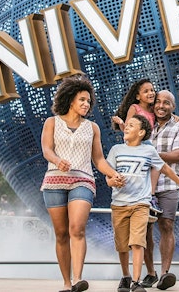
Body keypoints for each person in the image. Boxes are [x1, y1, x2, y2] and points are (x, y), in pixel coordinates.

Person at [41, 75, 124, 292]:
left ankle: (78, 279)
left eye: (88, 101)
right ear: (70, 100)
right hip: (54, 180)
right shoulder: (52, 122)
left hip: (83, 180)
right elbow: (47, 150)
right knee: (61, 234)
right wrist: (58, 160)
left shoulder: (92, 128)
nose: (86, 104)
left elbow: (98, 160)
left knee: (77, 228)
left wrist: (113, 174)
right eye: (82, 100)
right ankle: (66, 283)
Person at [106, 115, 179, 292]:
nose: (126, 127)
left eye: (131, 125)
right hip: (119, 204)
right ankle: (125, 276)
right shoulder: (116, 150)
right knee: (122, 245)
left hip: (141, 204)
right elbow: (108, 174)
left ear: (141, 132)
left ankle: (135, 281)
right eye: (127, 125)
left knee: (137, 242)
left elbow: (165, 168)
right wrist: (111, 182)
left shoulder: (149, 151)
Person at [139, 90, 179, 290]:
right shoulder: (145, 126)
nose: (161, 106)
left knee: (166, 226)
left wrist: (149, 154)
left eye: (167, 103)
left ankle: (164, 274)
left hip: (168, 185)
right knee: (143, 230)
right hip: (143, 186)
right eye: (158, 102)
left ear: (174, 106)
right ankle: (150, 273)